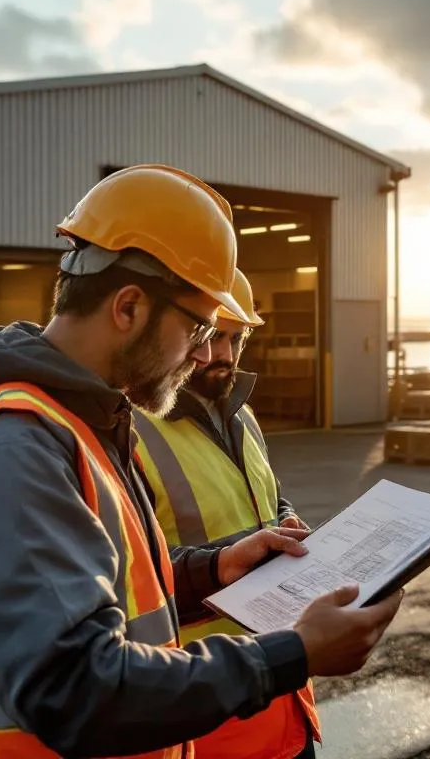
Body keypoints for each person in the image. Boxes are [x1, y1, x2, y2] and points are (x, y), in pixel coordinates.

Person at [0, 164, 403, 758]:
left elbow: (102, 599)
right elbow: (78, 691)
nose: (203, 352)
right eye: (199, 325)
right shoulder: (12, 451)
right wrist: (295, 654)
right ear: (128, 307)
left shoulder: (80, 425)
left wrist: (214, 570)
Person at [134, 268, 320, 759]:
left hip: (282, 688)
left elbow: (270, 499)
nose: (222, 356)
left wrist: (287, 525)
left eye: (236, 339)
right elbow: (131, 575)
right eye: (213, 336)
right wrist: (223, 562)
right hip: (208, 706)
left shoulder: (241, 415)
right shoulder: (132, 429)